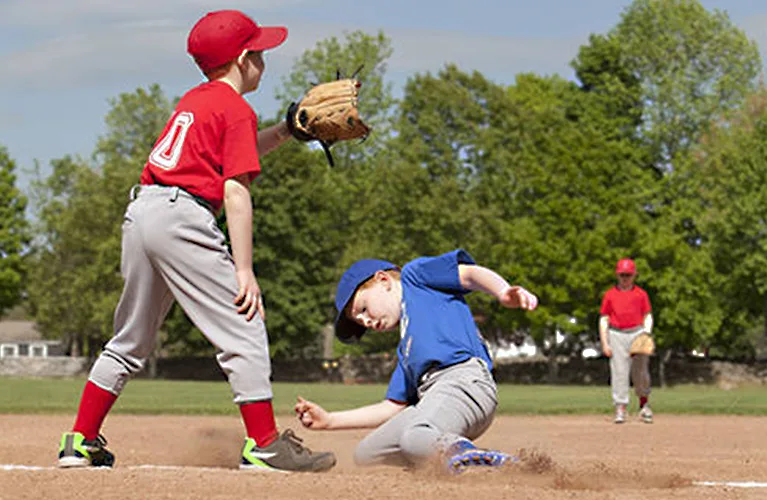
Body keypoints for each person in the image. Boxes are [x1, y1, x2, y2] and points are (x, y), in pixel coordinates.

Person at [56, 10, 336, 472]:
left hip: (143, 210)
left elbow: (226, 154)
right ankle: (265, 444)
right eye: (260, 53)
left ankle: (80, 441)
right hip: (182, 218)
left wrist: (287, 131)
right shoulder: (236, 109)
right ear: (244, 59)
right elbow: (235, 189)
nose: (264, 60)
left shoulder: (197, 100)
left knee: (130, 338)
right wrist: (244, 270)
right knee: (243, 325)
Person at [293, 249, 538, 473]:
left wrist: (502, 290)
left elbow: (469, 275)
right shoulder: (407, 350)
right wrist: (330, 420)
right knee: (368, 454)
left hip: (464, 382)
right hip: (434, 401)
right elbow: (392, 407)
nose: (365, 321)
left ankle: (472, 460)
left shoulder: (415, 277)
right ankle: (449, 453)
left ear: (383, 280)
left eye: (364, 308)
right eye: (359, 322)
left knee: (414, 437)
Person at [598, 258, 654, 424]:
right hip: (616, 333)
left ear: (634, 275)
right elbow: (603, 319)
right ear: (617, 275)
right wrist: (605, 343)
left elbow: (647, 316)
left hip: (637, 332)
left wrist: (646, 334)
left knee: (641, 372)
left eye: (628, 275)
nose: (625, 278)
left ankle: (644, 406)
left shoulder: (641, 294)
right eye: (622, 275)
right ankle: (620, 407)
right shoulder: (610, 295)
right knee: (619, 372)